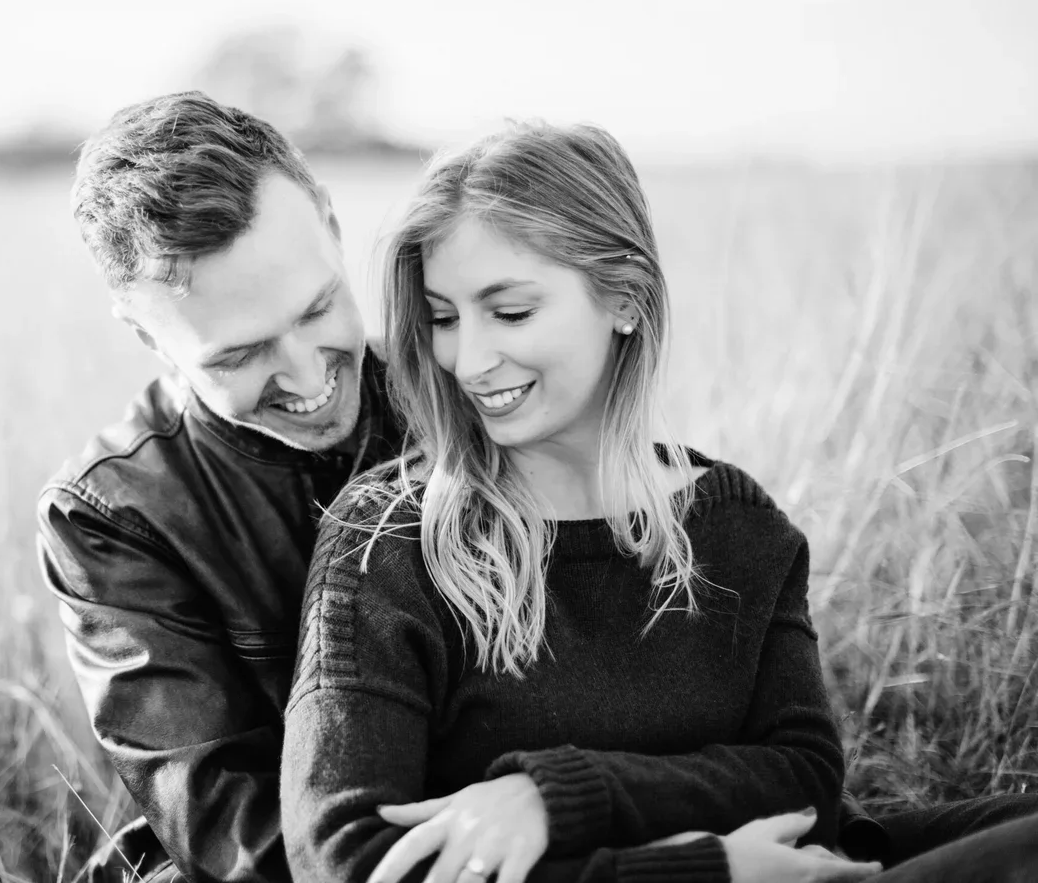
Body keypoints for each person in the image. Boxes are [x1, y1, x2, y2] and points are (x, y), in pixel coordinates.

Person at [280, 121, 1038, 883]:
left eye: (510, 313)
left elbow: (806, 777)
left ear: (625, 300)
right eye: (443, 318)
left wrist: (555, 796)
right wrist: (698, 868)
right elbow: (339, 857)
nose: (468, 360)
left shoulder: (737, 526)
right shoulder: (388, 537)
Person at [36, 91, 403, 883]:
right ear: (146, 337)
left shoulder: (474, 394)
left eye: (319, 307)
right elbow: (225, 830)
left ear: (333, 231)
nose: (309, 376)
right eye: (239, 357)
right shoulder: (110, 516)